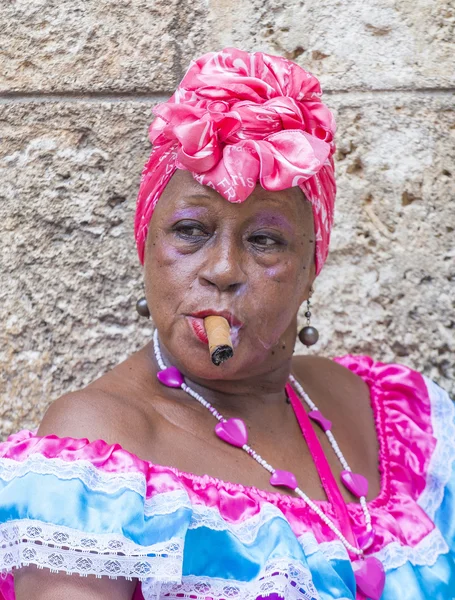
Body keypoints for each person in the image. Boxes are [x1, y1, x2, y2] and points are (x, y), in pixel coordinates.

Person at [0, 48, 453, 600]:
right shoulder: (100, 447)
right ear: (146, 245)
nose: (221, 270)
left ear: (312, 268)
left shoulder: (393, 414)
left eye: (265, 240)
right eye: (191, 230)